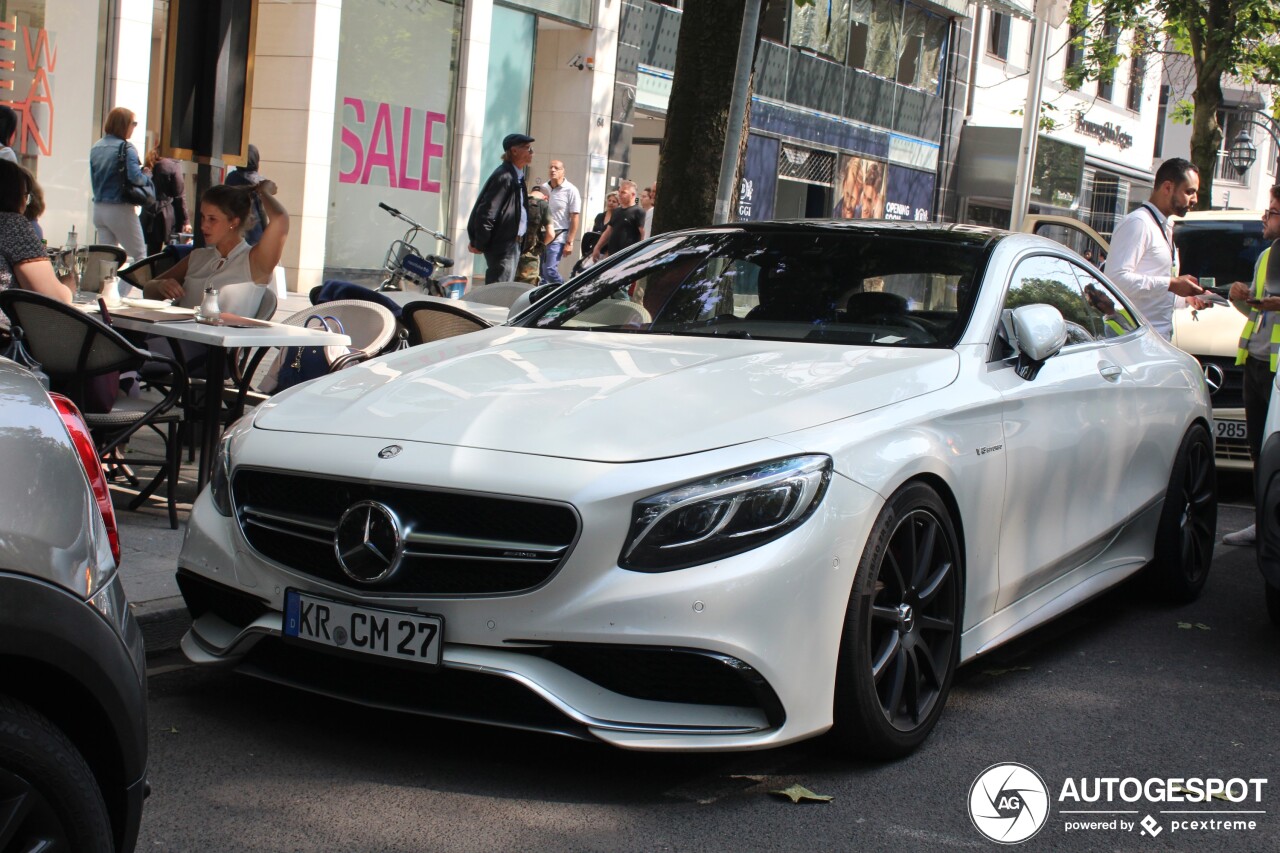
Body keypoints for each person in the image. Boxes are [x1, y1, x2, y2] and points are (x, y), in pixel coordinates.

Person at [1221, 185, 1280, 546]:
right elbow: (1258, 312)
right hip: (1256, 364)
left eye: (1272, 211)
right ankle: (1262, 526)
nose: (1265, 217)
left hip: (1278, 372)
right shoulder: (1267, 256)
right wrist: (1238, 298)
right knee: (1258, 450)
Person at [143, 181, 287, 318]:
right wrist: (160, 286)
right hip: (173, 336)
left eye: (212, 219)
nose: (203, 225)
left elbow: (280, 219)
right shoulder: (197, 257)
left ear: (234, 222)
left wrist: (264, 192)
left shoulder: (255, 261)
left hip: (218, 341)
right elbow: (148, 292)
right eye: (203, 217)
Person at [1104, 157, 1207, 340]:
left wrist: (1186, 298)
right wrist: (1172, 284)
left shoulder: (1163, 225)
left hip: (1154, 341)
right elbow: (1116, 280)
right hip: (1133, 341)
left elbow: (1155, 292)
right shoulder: (1138, 223)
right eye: (1189, 192)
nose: (1194, 199)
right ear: (1167, 187)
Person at [0, 159, 72, 323]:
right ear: (14, 195)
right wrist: (68, 288)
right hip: (7, 342)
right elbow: (53, 298)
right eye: (26, 196)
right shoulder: (12, 224)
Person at [467, 133, 533, 283]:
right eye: (527, 148)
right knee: (497, 293)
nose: (531, 152)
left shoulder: (517, 176)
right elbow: (487, 212)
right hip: (503, 246)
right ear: (514, 151)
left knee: (502, 290)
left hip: (512, 244)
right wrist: (481, 243)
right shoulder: (505, 176)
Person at [89, 107, 152, 263]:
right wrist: (147, 176)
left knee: (108, 259)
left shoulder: (96, 146)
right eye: (133, 123)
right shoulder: (126, 148)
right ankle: (123, 289)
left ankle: (105, 288)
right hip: (120, 208)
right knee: (140, 256)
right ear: (124, 124)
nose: (134, 127)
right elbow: (135, 178)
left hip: (99, 208)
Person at [141, 146, 189, 255]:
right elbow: (179, 195)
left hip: (148, 213)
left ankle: (151, 271)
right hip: (166, 215)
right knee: (172, 252)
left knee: (151, 253)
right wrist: (186, 221)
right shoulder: (172, 165)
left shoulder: (149, 165)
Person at [539, 160, 580, 284]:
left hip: (559, 234)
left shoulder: (571, 190)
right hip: (541, 234)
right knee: (542, 273)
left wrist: (570, 242)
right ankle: (544, 300)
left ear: (563, 171)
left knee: (549, 270)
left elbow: (575, 217)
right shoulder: (543, 188)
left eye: (556, 168)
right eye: (550, 167)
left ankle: (566, 292)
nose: (552, 170)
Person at [591, 180, 644, 264]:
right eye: (619, 192)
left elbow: (643, 234)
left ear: (633, 195)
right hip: (612, 257)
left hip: (628, 259)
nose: (620, 194)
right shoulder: (616, 211)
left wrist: (640, 254)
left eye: (623, 192)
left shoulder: (638, 212)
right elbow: (608, 231)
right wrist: (597, 247)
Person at [225, 144, 267, 246]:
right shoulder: (261, 181)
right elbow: (262, 210)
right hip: (255, 231)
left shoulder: (231, 178)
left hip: (235, 229)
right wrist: (266, 230)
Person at [516, 184, 553, 285]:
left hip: (511, 253)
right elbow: (551, 234)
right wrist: (540, 246)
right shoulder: (543, 204)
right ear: (546, 197)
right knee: (526, 289)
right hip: (530, 256)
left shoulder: (517, 200)